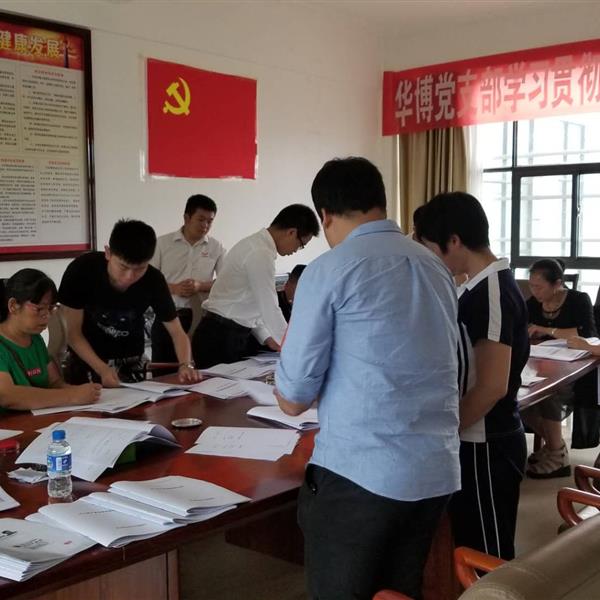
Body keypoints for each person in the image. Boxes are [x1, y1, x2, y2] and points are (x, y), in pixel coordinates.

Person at [275, 157, 460, 600]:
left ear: (325, 215)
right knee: (398, 591)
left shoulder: (330, 269)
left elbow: (294, 397)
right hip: (434, 471)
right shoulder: (434, 266)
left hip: (362, 475)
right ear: (381, 202)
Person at [415, 191, 529, 561]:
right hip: (475, 440)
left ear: (453, 241)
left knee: (487, 554)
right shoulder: (475, 286)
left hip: (486, 443)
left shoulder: (492, 290)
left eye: (431, 248)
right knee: (470, 543)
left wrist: (446, 431)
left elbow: (492, 386)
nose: (432, 259)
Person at [58, 219, 200, 386]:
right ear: (108, 253)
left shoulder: (154, 280)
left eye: (140, 269)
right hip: (86, 359)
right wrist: (102, 368)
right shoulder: (82, 270)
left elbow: (177, 332)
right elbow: (73, 334)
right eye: (123, 267)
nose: (129, 277)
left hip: (131, 360)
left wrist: (186, 364)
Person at [192, 204, 319, 368]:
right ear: (291, 232)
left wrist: (268, 337)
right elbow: (269, 307)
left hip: (226, 334)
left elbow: (250, 304)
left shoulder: (255, 246)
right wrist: (296, 350)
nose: (297, 250)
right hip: (219, 337)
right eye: (301, 244)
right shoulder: (260, 253)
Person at [523, 258, 597, 478]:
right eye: (531, 286)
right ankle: (556, 447)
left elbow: (586, 334)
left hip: (578, 368)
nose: (534, 291)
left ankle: (557, 455)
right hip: (543, 362)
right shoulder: (532, 303)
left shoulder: (578, 300)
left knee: (550, 394)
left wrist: (546, 330)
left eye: (539, 287)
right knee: (522, 397)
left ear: (557, 284)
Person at [0, 269, 101, 411]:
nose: (47, 316)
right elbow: (6, 396)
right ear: (13, 306)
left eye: (51, 308)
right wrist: (71, 396)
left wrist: (84, 393)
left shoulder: (35, 339)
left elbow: (55, 383)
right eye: (39, 309)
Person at [150, 194, 226, 363]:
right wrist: (174, 288)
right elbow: (148, 281)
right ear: (186, 218)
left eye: (210, 221)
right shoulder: (162, 244)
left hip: (201, 320)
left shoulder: (216, 247)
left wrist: (200, 286)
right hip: (167, 318)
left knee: (197, 370)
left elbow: (225, 283)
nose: (205, 225)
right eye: (201, 219)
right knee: (163, 371)